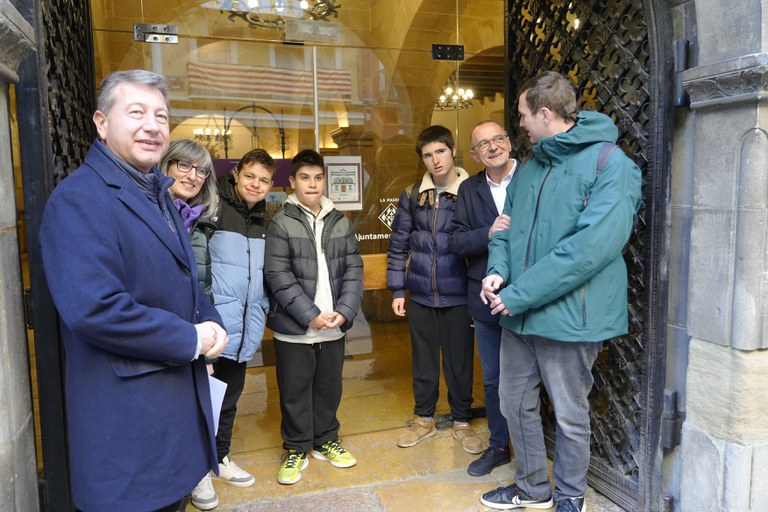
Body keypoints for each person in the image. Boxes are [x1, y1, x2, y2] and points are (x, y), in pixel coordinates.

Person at [39, 70, 229, 512]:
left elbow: (184, 279)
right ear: (102, 123)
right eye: (137, 112)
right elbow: (96, 309)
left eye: (161, 116)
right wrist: (190, 338)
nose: (153, 125)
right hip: (129, 432)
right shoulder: (79, 199)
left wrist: (211, 320)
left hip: (171, 427)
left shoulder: (157, 193)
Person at [479, 71, 642, 512]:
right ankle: (532, 488)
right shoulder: (531, 167)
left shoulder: (611, 165)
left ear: (546, 113)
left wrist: (517, 295)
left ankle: (570, 494)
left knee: (570, 414)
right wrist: (497, 272)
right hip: (518, 313)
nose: (519, 123)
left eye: (523, 115)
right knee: (514, 404)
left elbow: (587, 251)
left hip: (570, 318)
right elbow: (504, 229)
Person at [264, 149, 363, 485]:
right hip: (294, 328)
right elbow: (278, 275)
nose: (312, 184)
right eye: (305, 178)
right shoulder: (281, 222)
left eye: (318, 178)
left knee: (328, 387)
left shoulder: (341, 221)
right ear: (292, 181)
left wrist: (345, 311)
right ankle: (295, 447)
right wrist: (309, 315)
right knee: (294, 390)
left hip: (333, 325)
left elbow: (354, 270)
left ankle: (326, 440)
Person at [386, 125, 483, 455]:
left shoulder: (472, 191)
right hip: (421, 294)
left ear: (453, 151)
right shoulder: (413, 194)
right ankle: (424, 419)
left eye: (440, 151)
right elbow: (399, 244)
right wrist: (397, 290)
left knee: (459, 361)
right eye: (428, 155)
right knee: (423, 360)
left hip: (460, 293)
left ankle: (462, 421)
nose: (435, 160)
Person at [448, 121, 517, 476]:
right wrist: (488, 233)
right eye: (483, 144)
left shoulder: (533, 176)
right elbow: (456, 241)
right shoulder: (468, 189)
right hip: (485, 299)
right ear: (474, 155)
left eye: (498, 139)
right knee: (493, 378)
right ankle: (500, 446)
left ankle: (536, 447)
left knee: (533, 377)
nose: (493, 147)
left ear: (509, 142)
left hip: (530, 296)